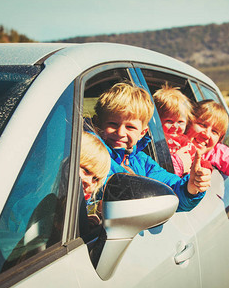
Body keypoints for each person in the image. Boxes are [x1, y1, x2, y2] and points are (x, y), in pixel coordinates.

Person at [91, 82, 212, 212]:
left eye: (130, 127)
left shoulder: (143, 162)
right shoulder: (90, 153)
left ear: (142, 133)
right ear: (98, 123)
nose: (120, 133)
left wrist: (190, 188)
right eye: (113, 124)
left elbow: (170, 189)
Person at [153, 86, 229, 193]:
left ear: (219, 139)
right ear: (188, 121)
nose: (206, 135)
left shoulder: (211, 153)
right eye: (202, 124)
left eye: (215, 132)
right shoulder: (159, 140)